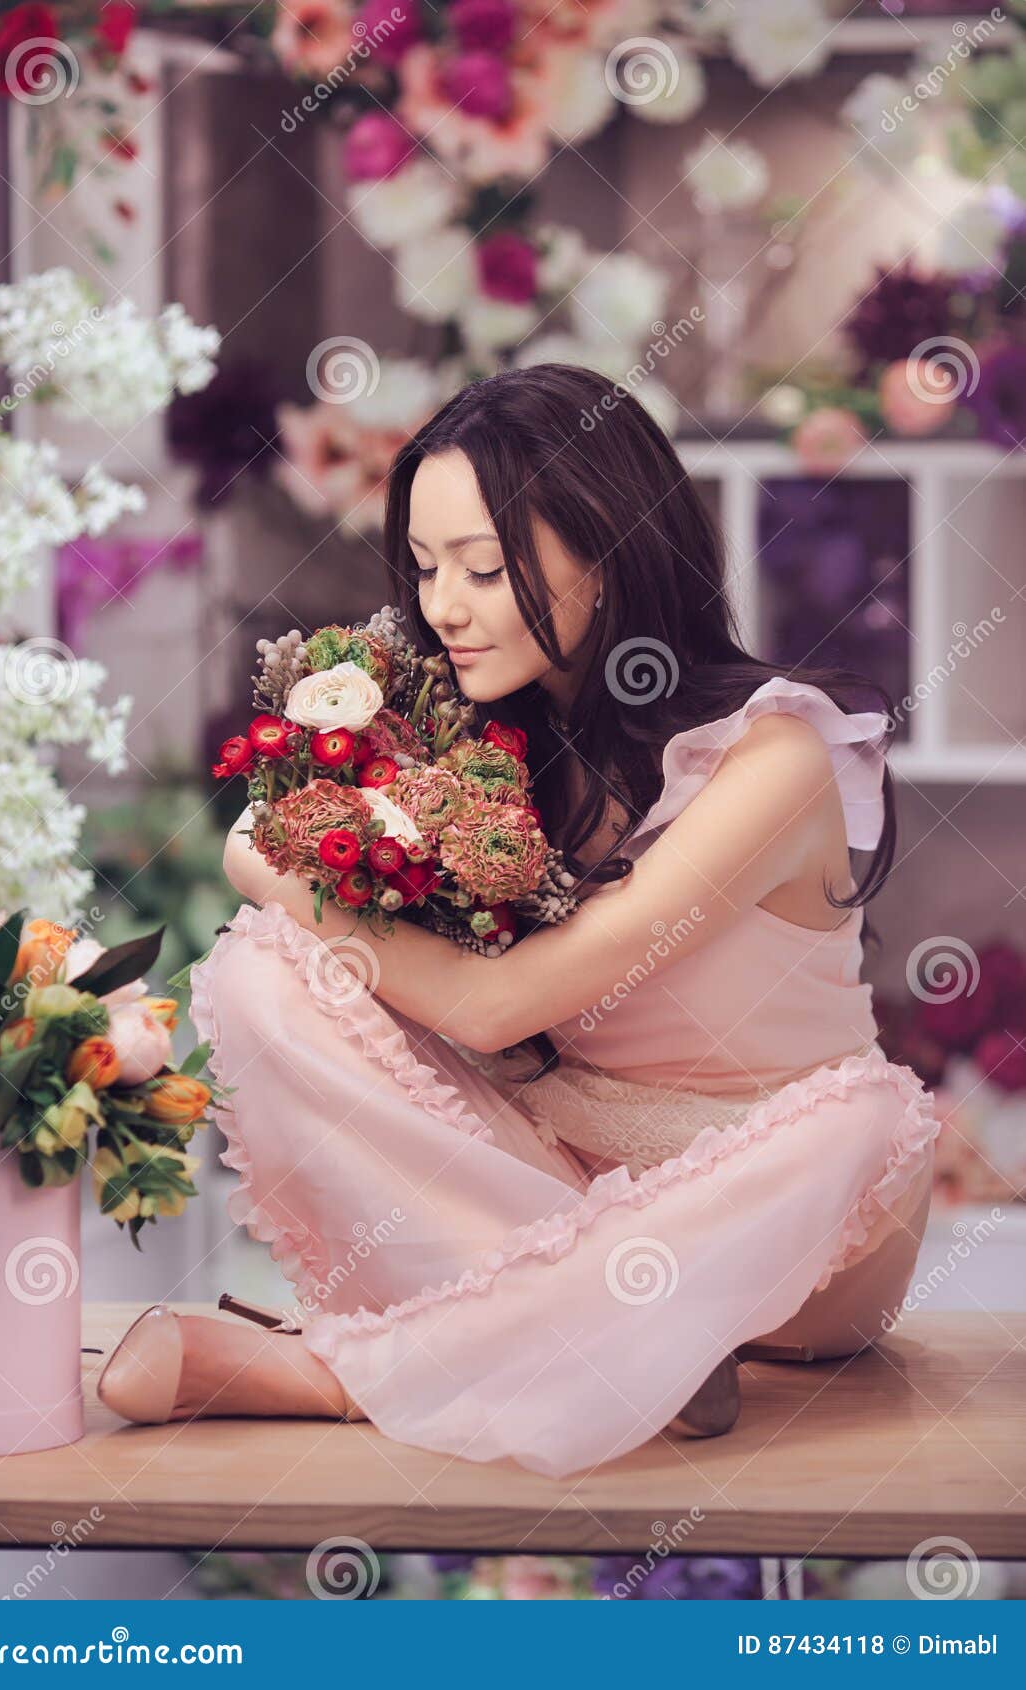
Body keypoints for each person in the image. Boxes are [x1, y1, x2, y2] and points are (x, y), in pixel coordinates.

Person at [96, 365, 939, 1479]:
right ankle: (620, 1341)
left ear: (611, 549)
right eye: (429, 567)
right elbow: (430, 1004)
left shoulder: (769, 756)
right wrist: (304, 861)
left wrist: (263, 858)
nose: (444, 606)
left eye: (485, 570)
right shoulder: (484, 743)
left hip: (777, 1219)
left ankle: (342, 1372)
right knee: (271, 974)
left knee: (858, 1123)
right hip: (556, 1184)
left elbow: (497, 1007)